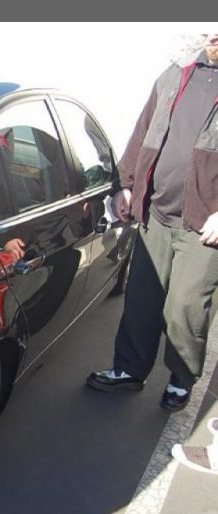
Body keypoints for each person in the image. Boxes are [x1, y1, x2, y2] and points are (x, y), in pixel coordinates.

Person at [86, 34, 218, 413]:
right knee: (142, 299)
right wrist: (125, 185)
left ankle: (181, 378)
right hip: (155, 212)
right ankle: (129, 369)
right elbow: (142, 132)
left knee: (185, 309)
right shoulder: (176, 74)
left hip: (204, 226)